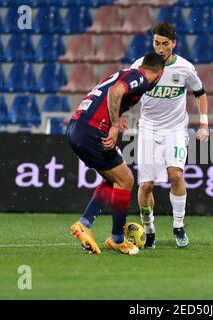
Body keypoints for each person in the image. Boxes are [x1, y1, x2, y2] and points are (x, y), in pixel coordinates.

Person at [67, 52, 165, 255]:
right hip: (93, 130)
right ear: (159, 73)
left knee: (115, 180)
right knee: (126, 180)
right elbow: (114, 92)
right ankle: (117, 239)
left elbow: (107, 95)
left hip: (78, 129)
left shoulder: (125, 73)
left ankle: (85, 223)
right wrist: (113, 125)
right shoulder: (141, 78)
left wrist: (117, 115)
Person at [129, 22, 209, 249]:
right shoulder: (140, 65)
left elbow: (200, 93)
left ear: (174, 43)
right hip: (147, 129)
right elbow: (124, 90)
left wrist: (204, 124)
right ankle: (149, 229)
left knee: (175, 175)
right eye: (157, 43)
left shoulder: (185, 68)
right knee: (146, 185)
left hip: (175, 130)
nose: (161, 48)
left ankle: (178, 226)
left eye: (165, 44)